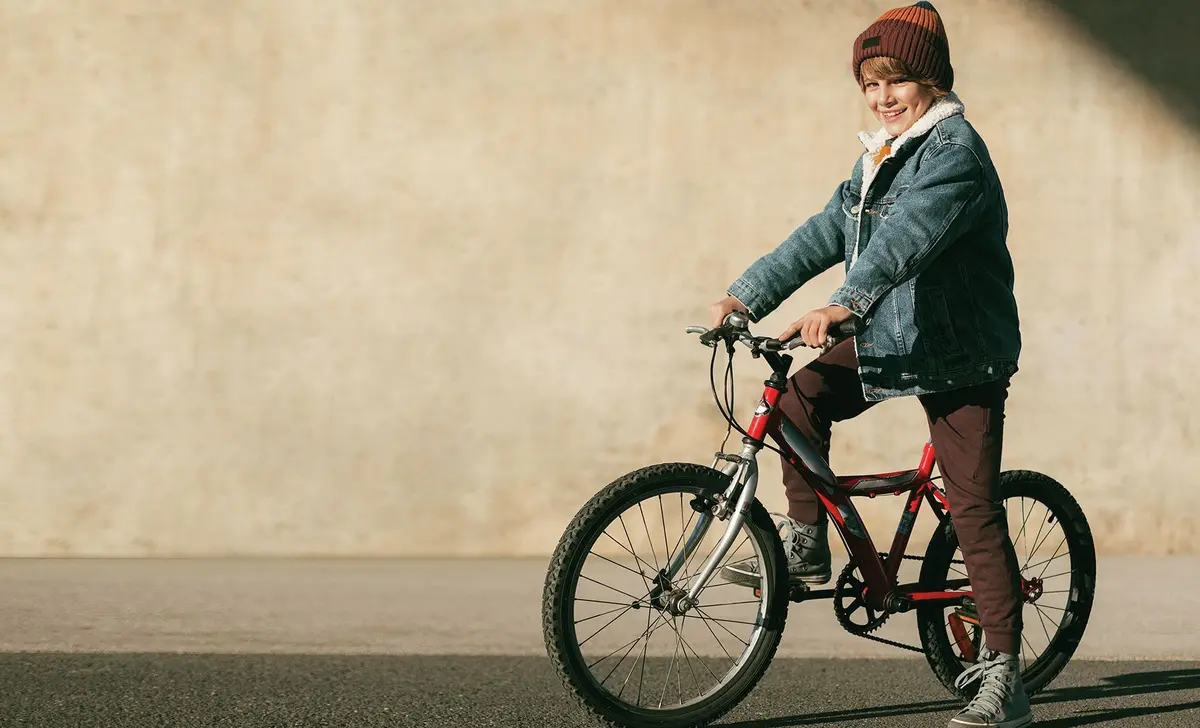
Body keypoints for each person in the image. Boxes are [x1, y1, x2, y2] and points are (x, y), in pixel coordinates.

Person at [710, 3, 1029, 727]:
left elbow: (907, 241)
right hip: (892, 332)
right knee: (793, 404)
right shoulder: (880, 153)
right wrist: (747, 291)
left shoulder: (954, 153)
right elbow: (828, 228)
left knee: (973, 508)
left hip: (960, 351)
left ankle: (1005, 677)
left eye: (900, 81)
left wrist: (846, 303)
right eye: (871, 83)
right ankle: (806, 545)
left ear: (933, 81)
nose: (884, 97)